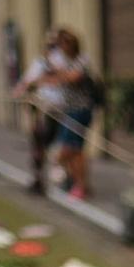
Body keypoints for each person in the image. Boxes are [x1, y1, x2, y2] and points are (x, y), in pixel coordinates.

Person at [14, 29, 66, 195]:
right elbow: (26, 82)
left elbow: (63, 79)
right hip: (42, 109)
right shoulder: (40, 62)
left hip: (59, 110)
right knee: (39, 142)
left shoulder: (64, 62)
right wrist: (21, 90)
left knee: (56, 142)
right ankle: (38, 177)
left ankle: (55, 173)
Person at [46, 27, 94, 199]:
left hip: (80, 110)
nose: (61, 48)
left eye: (64, 44)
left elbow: (72, 78)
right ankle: (78, 184)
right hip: (68, 110)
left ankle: (79, 183)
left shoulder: (82, 60)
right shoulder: (62, 62)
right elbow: (49, 79)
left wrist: (58, 74)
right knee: (74, 150)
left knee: (69, 150)